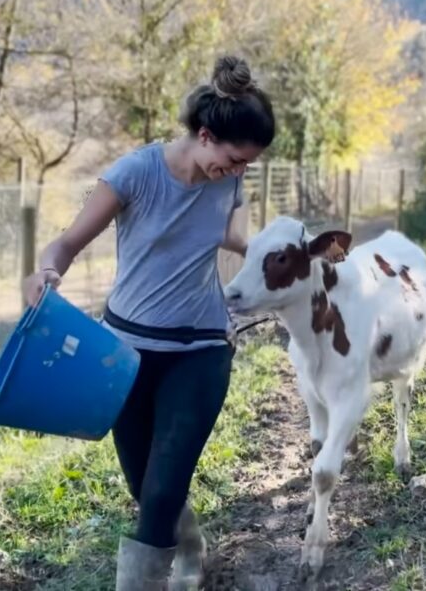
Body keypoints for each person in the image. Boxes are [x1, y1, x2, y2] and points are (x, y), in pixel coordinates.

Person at [21, 56, 276, 590]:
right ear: (205, 135)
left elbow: (238, 240)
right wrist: (45, 271)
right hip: (125, 356)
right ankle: (189, 548)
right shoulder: (135, 172)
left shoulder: (229, 183)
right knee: (145, 485)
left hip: (202, 348)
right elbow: (66, 242)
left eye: (246, 165)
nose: (237, 173)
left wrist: (288, 254)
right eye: (232, 160)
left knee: (162, 490)